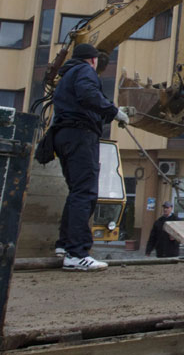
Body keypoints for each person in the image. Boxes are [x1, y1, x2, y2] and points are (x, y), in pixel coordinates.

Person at [52, 43, 129, 271]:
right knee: (86, 192)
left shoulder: (67, 76)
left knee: (76, 191)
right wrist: (114, 111)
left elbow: (82, 103)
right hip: (80, 136)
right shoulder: (85, 71)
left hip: (63, 136)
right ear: (93, 60)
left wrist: (107, 113)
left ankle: (65, 246)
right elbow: (88, 95)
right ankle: (77, 254)